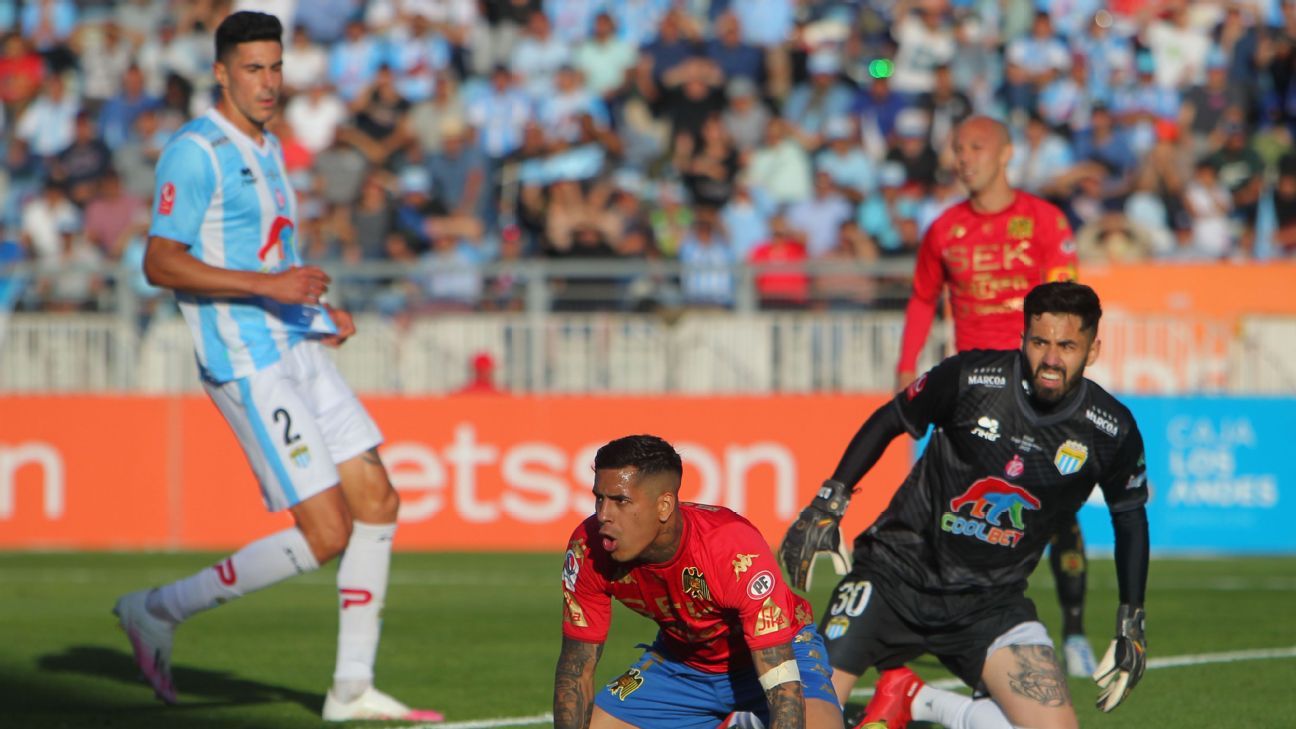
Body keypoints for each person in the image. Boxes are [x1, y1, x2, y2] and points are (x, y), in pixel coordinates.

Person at [111, 12, 441, 722]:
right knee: (327, 533)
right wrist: (271, 288)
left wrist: (320, 311)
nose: (268, 82)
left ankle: (351, 687)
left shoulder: (268, 146)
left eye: (275, 67)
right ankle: (157, 609)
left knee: (378, 501)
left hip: (297, 343)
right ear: (221, 72)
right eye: (253, 68)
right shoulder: (195, 151)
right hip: (247, 359)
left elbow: (271, 258)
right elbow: (159, 262)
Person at [780, 282, 1149, 729]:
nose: (1051, 359)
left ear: (1092, 351)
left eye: (1067, 346)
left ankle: (922, 700)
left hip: (990, 605)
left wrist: (1131, 618)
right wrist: (829, 501)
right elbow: (892, 418)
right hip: (892, 578)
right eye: (1040, 343)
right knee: (803, 722)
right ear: (1023, 339)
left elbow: (1129, 516)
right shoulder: (970, 378)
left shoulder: (1110, 430)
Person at [894, 115, 1095, 680]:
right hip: (970, 396)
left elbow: (1069, 301)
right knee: (953, 513)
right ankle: (948, 628)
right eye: (957, 148)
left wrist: (1062, 372)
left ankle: (1075, 630)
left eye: (976, 147)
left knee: (1059, 515)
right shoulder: (944, 229)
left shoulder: (1045, 221)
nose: (964, 157)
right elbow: (922, 298)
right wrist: (905, 367)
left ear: (1006, 153)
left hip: (1037, 390)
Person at [554, 435, 843, 729]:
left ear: (664, 506)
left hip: (780, 653)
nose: (603, 515)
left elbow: (782, 684)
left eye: (621, 501)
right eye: (599, 498)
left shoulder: (732, 548)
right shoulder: (588, 548)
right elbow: (576, 669)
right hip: (681, 666)